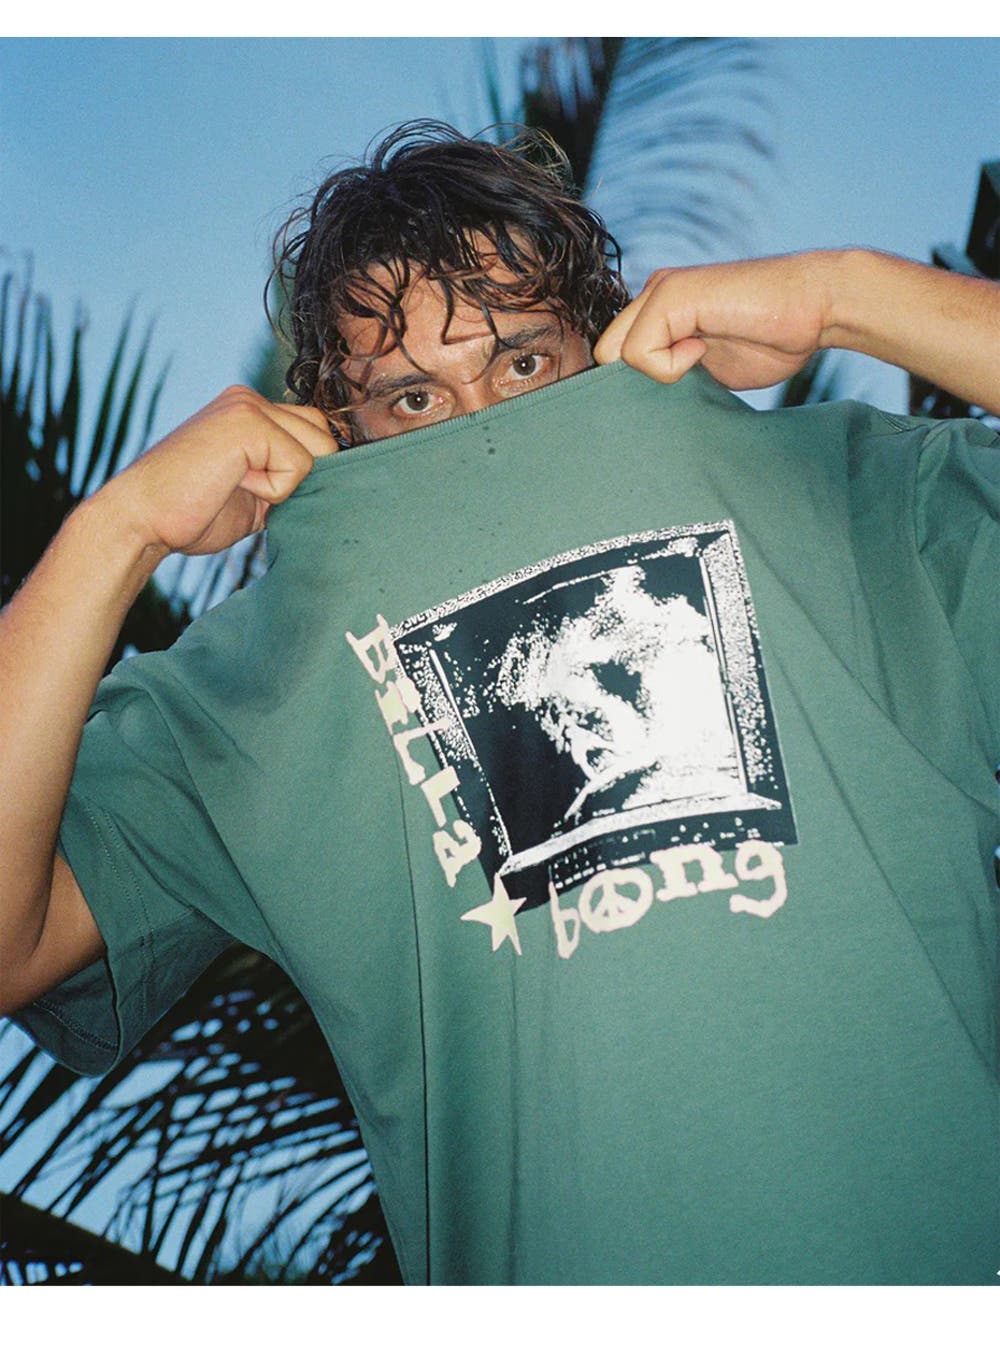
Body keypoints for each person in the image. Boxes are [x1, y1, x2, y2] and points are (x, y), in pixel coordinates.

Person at [2, 122, 998, 1284]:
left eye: (523, 364)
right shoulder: (257, 678)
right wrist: (114, 532)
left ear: (604, 338)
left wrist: (847, 296)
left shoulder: (856, 495)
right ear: (337, 427)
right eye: (412, 399)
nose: (484, 429)